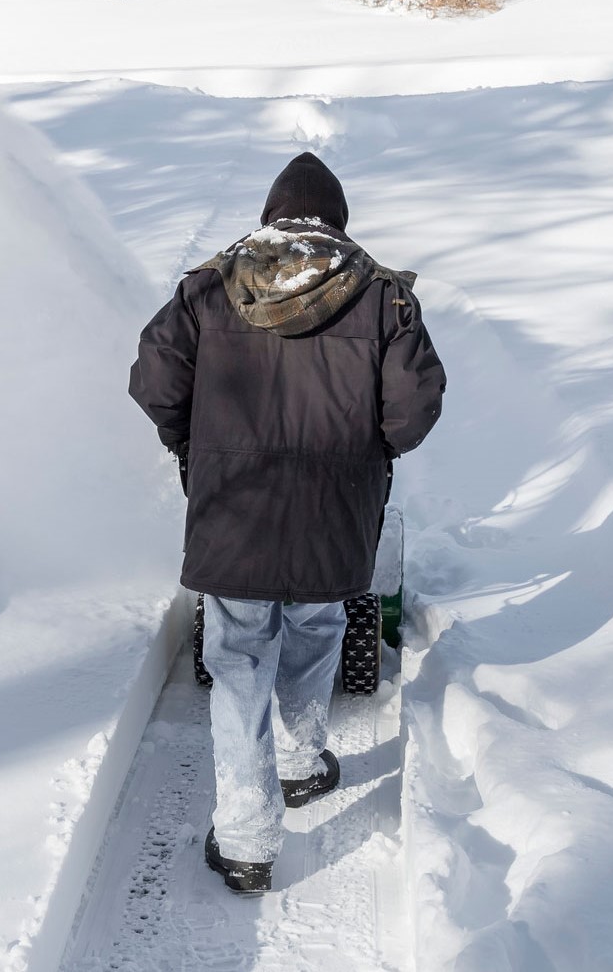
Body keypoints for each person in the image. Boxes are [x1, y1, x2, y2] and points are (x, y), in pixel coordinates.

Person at [127, 151, 447, 894]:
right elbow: (412, 409)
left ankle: (244, 838)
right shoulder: (382, 294)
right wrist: (364, 448)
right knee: (315, 623)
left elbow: (154, 379)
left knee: (238, 659)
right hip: (334, 511)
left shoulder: (208, 286)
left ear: (272, 216)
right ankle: (302, 763)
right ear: (335, 220)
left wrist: (193, 445)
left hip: (233, 508)